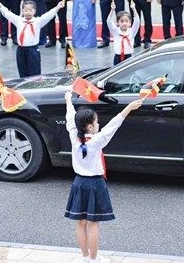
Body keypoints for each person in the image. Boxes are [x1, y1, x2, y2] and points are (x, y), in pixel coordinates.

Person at [63, 91, 142, 263]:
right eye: (96, 122)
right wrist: (129, 108)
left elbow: (70, 117)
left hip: (78, 182)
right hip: (95, 184)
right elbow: (114, 125)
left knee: (80, 223)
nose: (99, 124)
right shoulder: (97, 140)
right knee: (93, 224)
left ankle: (84, 258)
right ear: (90, 127)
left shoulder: (73, 136)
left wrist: (68, 100)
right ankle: (93, 259)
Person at [0, 0, 65, 77]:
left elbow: (48, 15)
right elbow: (8, 14)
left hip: (33, 50)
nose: (28, 13)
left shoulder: (38, 21)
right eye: (26, 10)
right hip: (21, 50)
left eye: (30, 10)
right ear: (22, 11)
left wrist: (58, 7)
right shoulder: (18, 20)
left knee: (34, 73)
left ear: (35, 11)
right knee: (22, 72)